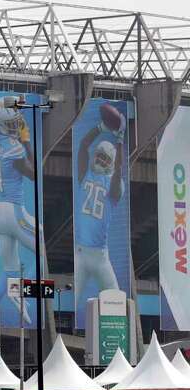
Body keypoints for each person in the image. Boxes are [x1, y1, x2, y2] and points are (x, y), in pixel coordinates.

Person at [0, 96, 37, 327]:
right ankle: (20, 292)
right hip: (14, 210)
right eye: (14, 122)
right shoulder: (14, 148)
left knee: (9, 270)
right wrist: (26, 142)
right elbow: (33, 173)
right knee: (41, 248)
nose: (18, 125)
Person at [73, 104, 125, 307]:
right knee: (70, 302)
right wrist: (101, 128)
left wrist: (119, 142)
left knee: (116, 303)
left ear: (111, 164)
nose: (102, 160)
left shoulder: (115, 184)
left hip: (101, 256)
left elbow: (119, 169)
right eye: (100, 155)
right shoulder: (85, 173)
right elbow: (83, 145)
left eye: (106, 158)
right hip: (80, 252)